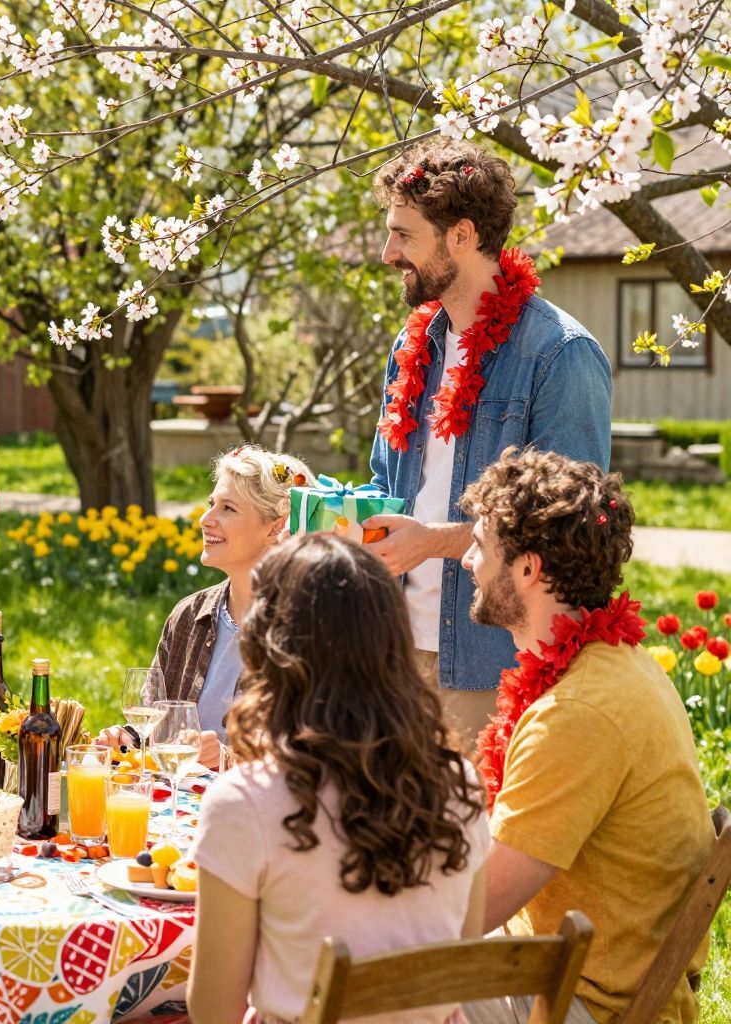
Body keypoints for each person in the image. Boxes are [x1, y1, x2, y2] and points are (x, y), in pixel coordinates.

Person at [363, 138, 612, 748]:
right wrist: (325, 513)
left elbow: (569, 533)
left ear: (462, 236)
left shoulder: (558, 353)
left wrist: (432, 543)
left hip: (490, 661)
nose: (387, 252)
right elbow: (386, 488)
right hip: (394, 653)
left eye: (403, 234)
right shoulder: (411, 348)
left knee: (476, 842)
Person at [187, 534, 489, 1024]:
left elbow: (211, 1012)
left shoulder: (245, 805)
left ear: (268, 650)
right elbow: (465, 955)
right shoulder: (461, 785)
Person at [458, 449, 711, 1023]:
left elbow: (474, 909)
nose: (468, 561)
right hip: (562, 966)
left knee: (333, 981)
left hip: (582, 1000)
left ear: (527, 569)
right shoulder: (616, 661)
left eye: (480, 545)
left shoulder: (576, 711)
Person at [97, 445, 314, 769]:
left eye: (228, 509)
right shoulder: (189, 616)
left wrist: (227, 759)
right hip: (177, 808)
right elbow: (151, 729)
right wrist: (126, 741)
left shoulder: (307, 631)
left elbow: (315, 761)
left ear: (275, 527)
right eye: (212, 504)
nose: (205, 519)